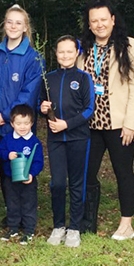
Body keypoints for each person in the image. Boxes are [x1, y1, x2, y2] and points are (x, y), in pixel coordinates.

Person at [77, 0, 134, 240]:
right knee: (86, 172)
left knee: (123, 172)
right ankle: (87, 222)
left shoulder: (130, 46)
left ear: (113, 20)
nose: (99, 24)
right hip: (90, 125)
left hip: (120, 125)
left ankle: (126, 224)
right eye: (94, 20)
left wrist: (131, 123)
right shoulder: (84, 48)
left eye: (103, 19)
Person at [0, 4, 42, 227]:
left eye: (18, 22)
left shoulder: (33, 58)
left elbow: (29, 93)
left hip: (18, 126)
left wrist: (6, 116)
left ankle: (27, 216)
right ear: (4, 25)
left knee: (21, 171)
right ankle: (12, 212)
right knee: (4, 168)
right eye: (9, 21)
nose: (13, 26)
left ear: (25, 27)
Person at [41, 35, 94, 248]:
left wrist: (67, 124)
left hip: (78, 137)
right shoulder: (48, 78)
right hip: (55, 139)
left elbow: (90, 109)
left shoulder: (83, 78)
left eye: (69, 51)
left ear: (77, 53)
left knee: (76, 183)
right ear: (56, 53)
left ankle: (74, 228)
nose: (65, 55)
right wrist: (42, 109)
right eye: (61, 51)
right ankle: (58, 226)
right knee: (57, 183)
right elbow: (41, 105)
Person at [0, 104, 44, 245]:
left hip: (28, 180)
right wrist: (7, 155)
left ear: (32, 123)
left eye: (26, 123)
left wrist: (31, 174)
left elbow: (38, 161)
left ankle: (29, 230)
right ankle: (13, 228)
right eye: (18, 123)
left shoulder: (34, 142)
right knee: (12, 203)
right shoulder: (7, 139)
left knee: (28, 204)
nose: (22, 127)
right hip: (10, 179)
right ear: (12, 123)